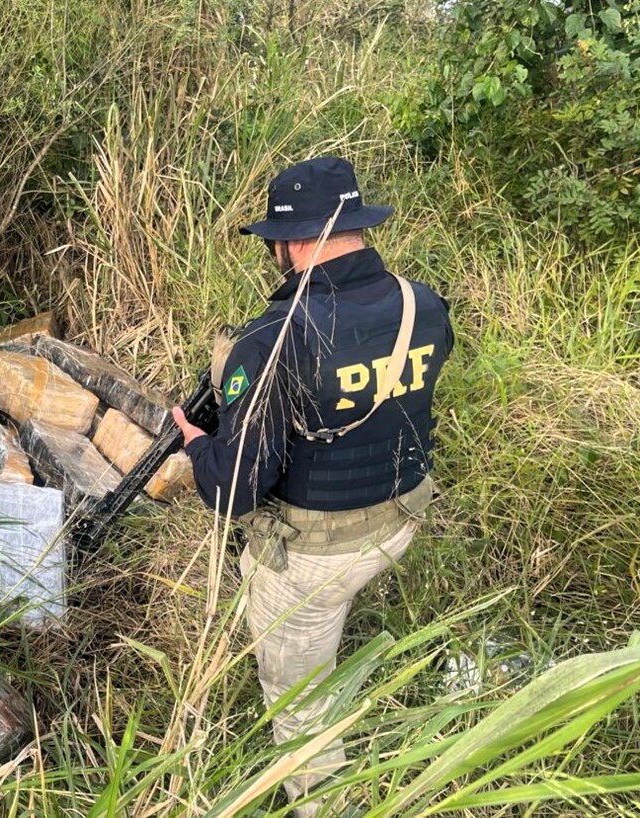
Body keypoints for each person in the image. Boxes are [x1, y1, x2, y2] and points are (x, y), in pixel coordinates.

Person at [172, 156, 454, 816]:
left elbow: (235, 490)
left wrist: (194, 441)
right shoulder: (424, 303)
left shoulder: (274, 337)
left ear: (291, 241)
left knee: (301, 705)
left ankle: (325, 803)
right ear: (356, 227)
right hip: (402, 519)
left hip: (315, 560)